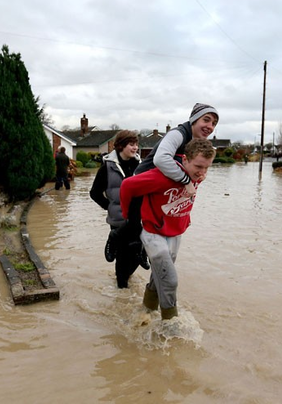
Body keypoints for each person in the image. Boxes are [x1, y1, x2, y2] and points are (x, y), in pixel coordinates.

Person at [120, 138, 216, 320]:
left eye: (207, 168)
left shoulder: (197, 175)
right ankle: (170, 325)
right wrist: (127, 217)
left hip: (175, 233)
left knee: (159, 278)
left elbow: (190, 187)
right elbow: (127, 185)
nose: (202, 173)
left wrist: (186, 217)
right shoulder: (160, 176)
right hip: (153, 234)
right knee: (170, 281)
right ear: (185, 160)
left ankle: (145, 313)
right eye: (198, 167)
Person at [118, 103, 219, 266]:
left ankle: (144, 252)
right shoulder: (178, 134)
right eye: (206, 120)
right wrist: (186, 181)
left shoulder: (196, 142)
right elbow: (161, 159)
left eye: (214, 123)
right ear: (193, 120)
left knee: (154, 226)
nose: (210, 126)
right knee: (134, 226)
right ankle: (116, 237)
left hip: (162, 187)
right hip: (144, 181)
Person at [89, 130, 147, 288]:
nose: (135, 148)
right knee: (122, 255)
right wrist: (110, 207)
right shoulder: (107, 168)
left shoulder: (141, 166)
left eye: (136, 144)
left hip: (138, 219)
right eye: (131, 144)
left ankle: (126, 276)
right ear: (121, 146)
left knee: (137, 255)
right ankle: (122, 291)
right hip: (119, 220)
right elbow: (94, 193)